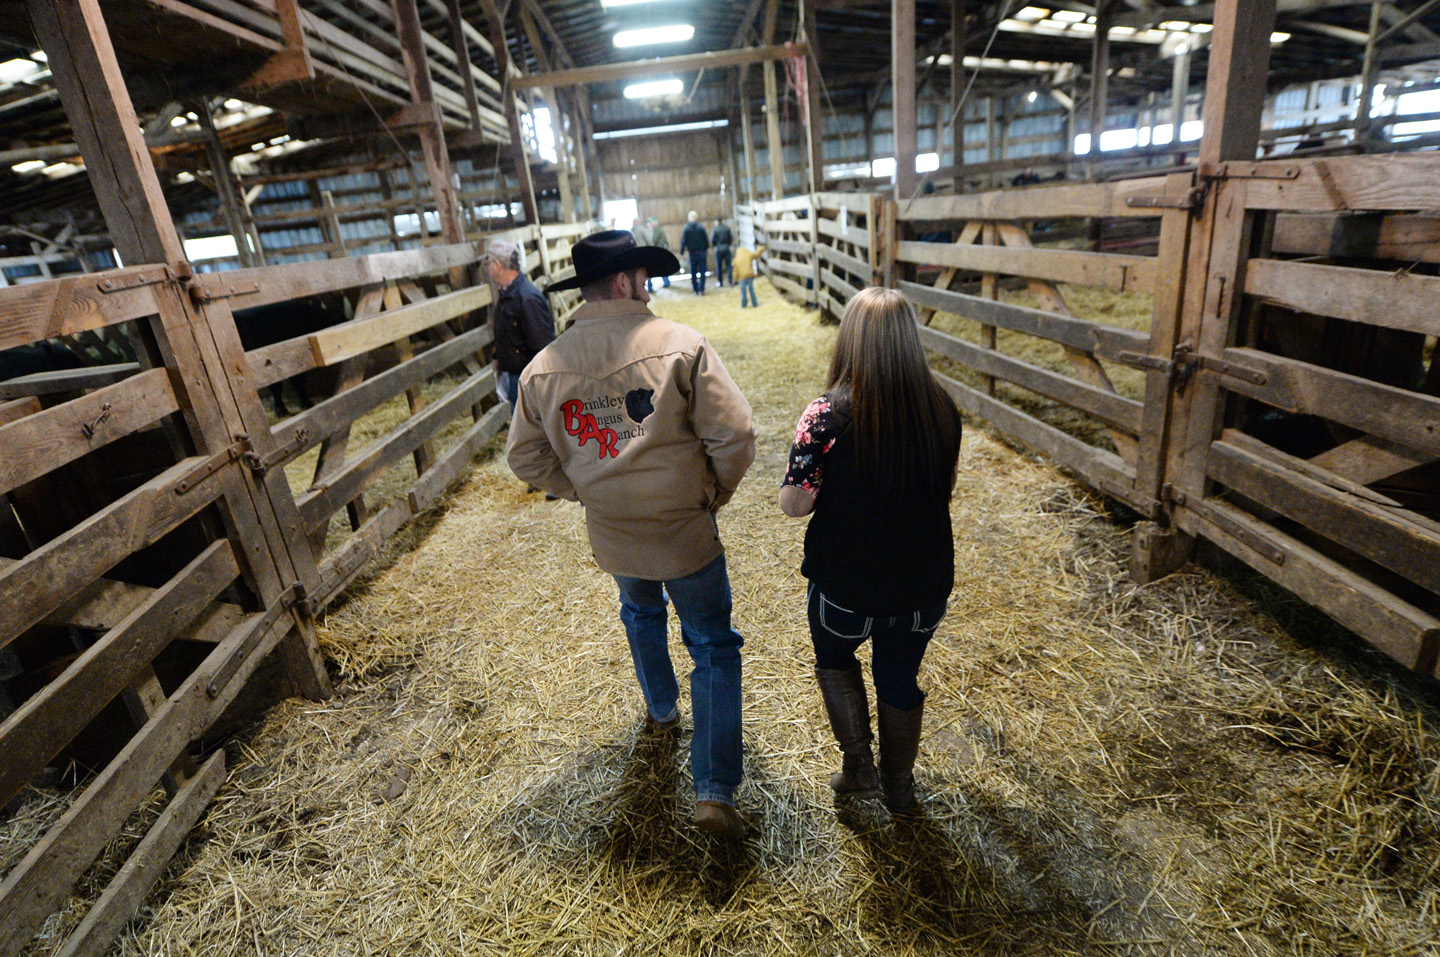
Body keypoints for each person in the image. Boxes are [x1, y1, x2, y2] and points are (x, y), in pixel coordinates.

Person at [508, 230, 756, 840]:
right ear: (624, 282)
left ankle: (662, 707)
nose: (646, 287)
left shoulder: (543, 370)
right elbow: (737, 434)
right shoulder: (681, 346)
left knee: (640, 613)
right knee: (713, 645)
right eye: (642, 277)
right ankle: (714, 790)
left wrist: (588, 487)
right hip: (684, 531)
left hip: (616, 534)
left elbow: (525, 458)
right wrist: (712, 491)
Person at [779, 287, 962, 815]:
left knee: (835, 657)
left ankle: (859, 770)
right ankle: (900, 788)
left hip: (846, 585)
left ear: (850, 340)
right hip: (920, 586)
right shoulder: (942, 408)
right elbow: (944, 489)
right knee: (900, 677)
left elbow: (795, 505)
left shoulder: (825, 414)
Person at [485, 238, 555, 416]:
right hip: (516, 375)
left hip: (527, 380)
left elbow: (543, 345)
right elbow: (508, 331)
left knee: (531, 429)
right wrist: (498, 357)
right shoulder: (508, 293)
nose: (487, 268)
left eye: (488, 263)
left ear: (498, 265)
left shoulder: (527, 298)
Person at [680, 211, 710, 295]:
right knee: (702, 271)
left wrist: (681, 252)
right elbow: (706, 241)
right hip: (701, 252)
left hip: (692, 253)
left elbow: (683, 241)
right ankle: (702, 289)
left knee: (693, 272)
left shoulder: (686, 229)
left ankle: (695, 289)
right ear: (696, 218)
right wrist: (705, 249)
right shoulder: (701, 227)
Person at [732, 242, 765, 309]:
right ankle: (755, 304)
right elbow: (756, 254)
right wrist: (762, 247)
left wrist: (735, 280)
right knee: (751, 290)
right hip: (749, 275)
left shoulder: (736, 260)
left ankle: (744, 305)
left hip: (742, 277)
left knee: (743, 291)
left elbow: (735, 272)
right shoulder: (748, 255)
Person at [646, 216, 671, 291]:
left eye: (650, 223)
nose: (649, 225)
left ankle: (666, 282)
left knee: (661, 267)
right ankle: (666, 282)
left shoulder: (656, 229)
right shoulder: (658, 228)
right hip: (662, 249)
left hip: (660, 250)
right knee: (662, 266)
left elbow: (654, 239)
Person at [711, 218, 733, 288]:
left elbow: (712, 240)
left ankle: (720, 282)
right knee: (729, 265)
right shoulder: (727, 229)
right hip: (726, 248)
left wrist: (716, 245)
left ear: (717, 222)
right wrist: (728, 245)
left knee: (719, 266)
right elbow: (730, 238)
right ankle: (731, 281)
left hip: (719, 249)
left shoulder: (715, 230)